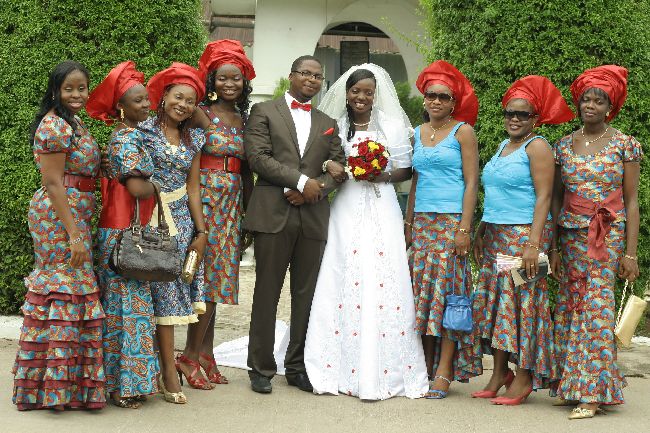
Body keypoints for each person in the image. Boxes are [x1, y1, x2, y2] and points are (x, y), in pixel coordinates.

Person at [304, 63, 429, 400]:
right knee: (343, 268)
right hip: (346, 203)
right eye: (356, 91)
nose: (361, 97)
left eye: (368, 92)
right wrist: (332, 165)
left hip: (382, 201)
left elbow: (405, 169)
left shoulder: (391, 126)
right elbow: (320, 160)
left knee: (385, 271)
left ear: (376, 95)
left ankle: (389, 367)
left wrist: (380, 174)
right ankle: (334, 363)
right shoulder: (336, 125)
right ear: (346, 93)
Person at [244, 55, 345, 394]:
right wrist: (302, 181)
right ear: (291, 75)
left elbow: (339, 167)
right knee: (266, 293)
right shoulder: (264, 111)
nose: (312, 80)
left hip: (312, 217)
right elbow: (258, 158)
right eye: (305, 73)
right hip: (273, 214)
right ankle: (260, 368)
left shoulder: (328, 122)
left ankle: (297, 366)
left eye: (318, 76)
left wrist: (316, 190)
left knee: (306, 296)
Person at [472, 76, 574, 405]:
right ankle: (500, 373)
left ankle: (525, 377)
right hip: (496, 236)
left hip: (524, 238)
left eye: (522, 114)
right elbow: (495, 196)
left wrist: (534, 244)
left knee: (526, 305)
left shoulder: (538, 146)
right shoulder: (505, 146)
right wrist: (480, 230)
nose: (514, 119)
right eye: (509, 113)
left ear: (535, 119)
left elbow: (545, 197)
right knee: (500, 305)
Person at [12, 61, 106, 410]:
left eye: (82, 88)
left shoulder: (74, 121)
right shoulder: (54, 125)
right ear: (56, 90)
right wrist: (74, 235)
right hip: (57, 216)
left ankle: (67, 388)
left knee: (73, 291)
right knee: (62, 292)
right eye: (69, 89)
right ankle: (51, 391)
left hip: (75, 212)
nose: (77, 94)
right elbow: (53, 183)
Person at [549, 65, 641, 420]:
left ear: (610, 107)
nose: (590, 105)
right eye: (586, 99)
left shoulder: (624, 145)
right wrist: (554, 247)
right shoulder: (562, 145)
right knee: (572, 306)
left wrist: (630, 253)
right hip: (571, 236)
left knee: (597, 309)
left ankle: (593, 393)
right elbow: (557, 199)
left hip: (607, 236)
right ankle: (571, 385)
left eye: (598, 101)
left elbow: (631, 201)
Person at [179, 40, 255, 386]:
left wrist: (248, 214)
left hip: (231, 205)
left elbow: (247, 171)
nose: (229, 84)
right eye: (222, 78)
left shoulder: (245, 119)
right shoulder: (200, 113)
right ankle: (188, 356)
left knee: (218, 280)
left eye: (235, 78)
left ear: (244, 82)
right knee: (205, 280)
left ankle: (205, 354)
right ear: (211, 81)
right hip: (205, 201)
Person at [405, 60, 480, 399]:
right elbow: (416, 181)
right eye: (431, 95)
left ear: (453, 103)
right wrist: (409, 223)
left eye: (443, 97)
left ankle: (445, 369)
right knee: (423, 295)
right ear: (424, 99)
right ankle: (424, 363)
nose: (435, 101)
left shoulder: (463, 132)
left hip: (450, 223)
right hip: (423, 224)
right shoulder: (417, 132)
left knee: (450, 295)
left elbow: (471, 182)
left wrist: (464, 228)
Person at [86, 61, 159, 408]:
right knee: (126, 310)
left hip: (120, 228)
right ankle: (122, 387)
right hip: (122, 232)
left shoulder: (127, 135)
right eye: (138, 100)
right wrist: (158, 184)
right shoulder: (127, 137)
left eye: (146, 98)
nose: (147, 105)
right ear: (121, 107)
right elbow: (136, 188)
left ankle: (120, 383)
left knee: (124, 308)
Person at [142, 62, 210, 403]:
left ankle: (166, 369)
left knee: (171, 293)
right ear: (164, 95)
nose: (182, 105)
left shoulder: (193, 138)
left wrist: (201, 231)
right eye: (177, 96)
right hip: (149, 219)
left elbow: (193, 187)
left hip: (181, 221)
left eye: (190, 101)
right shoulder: (143, 130)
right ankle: (166, 371)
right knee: (152, 295)